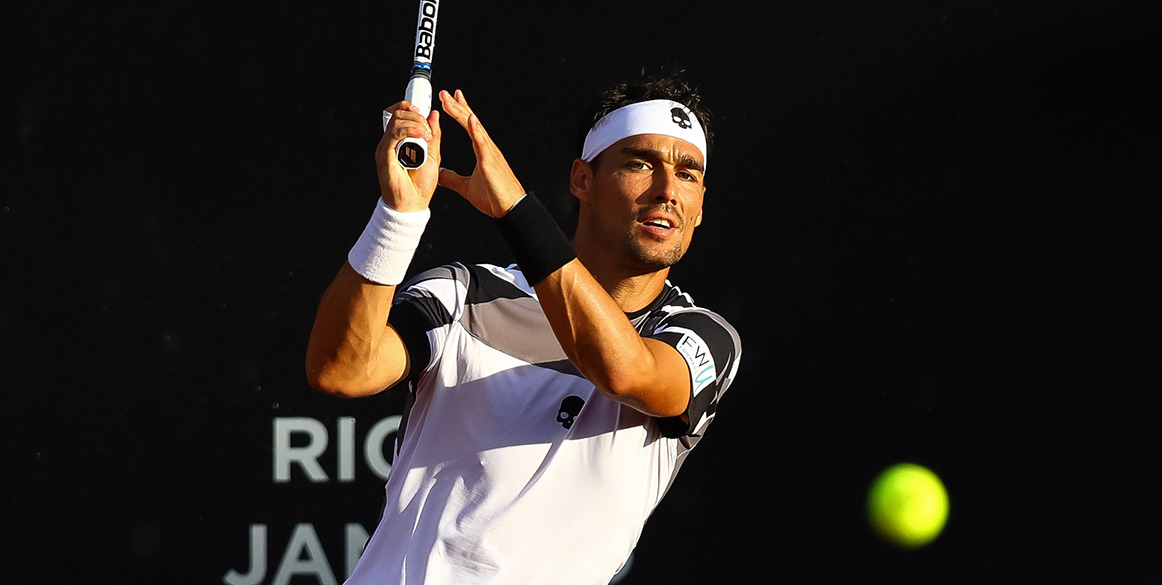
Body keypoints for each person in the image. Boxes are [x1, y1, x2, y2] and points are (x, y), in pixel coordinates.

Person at [306, 71, 742, 585]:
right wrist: (398, 217)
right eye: (640, 164)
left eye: (688, 174)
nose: (667, 190)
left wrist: (515, 210)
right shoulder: (465, 293)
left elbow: (623, 372)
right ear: (582, 180)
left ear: (700, 206)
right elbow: (341, 370)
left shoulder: (702, 336)